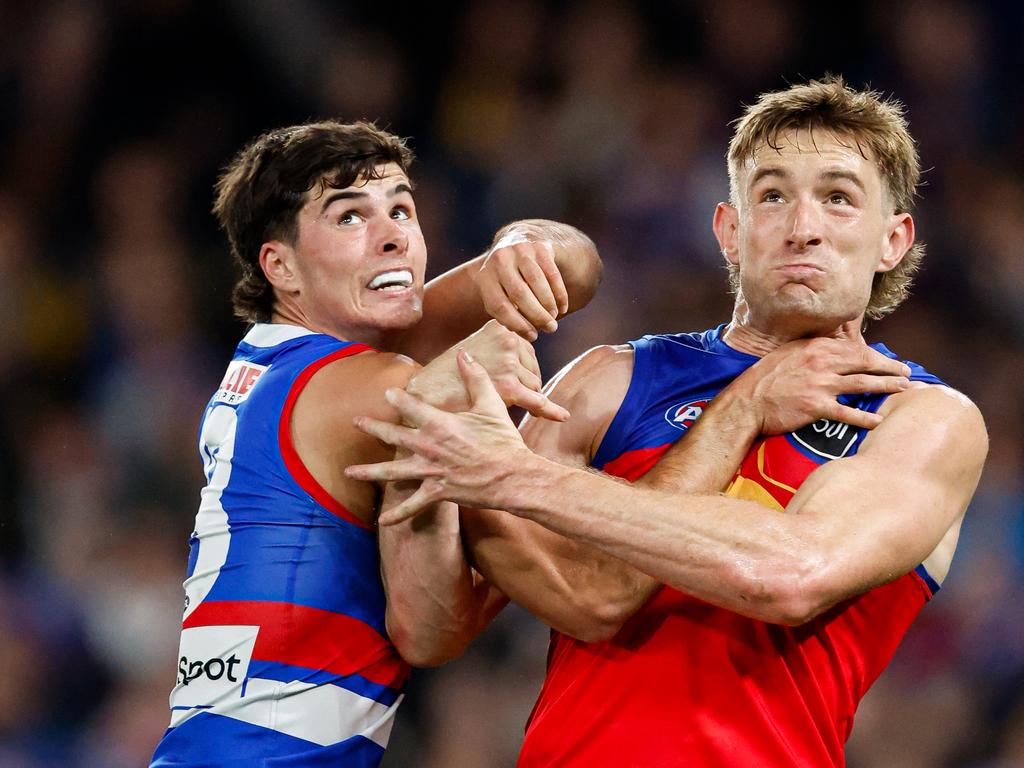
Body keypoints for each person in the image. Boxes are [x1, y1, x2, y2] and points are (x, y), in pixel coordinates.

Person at [346, 77, 989, 766]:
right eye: (772, 195)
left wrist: (509, 475)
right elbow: (433, 627)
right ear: (730, 231)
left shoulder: (921, 416)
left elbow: (793, 572)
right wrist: (430, 417)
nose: (804, 227)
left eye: (838, 198)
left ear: (892, 240)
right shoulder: (611, 380)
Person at [148, 120, 603, 767]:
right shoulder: (373, 388)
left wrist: (523, 242)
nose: (392, 235)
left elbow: (580, 267)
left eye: (401, 208)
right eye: (349, 217)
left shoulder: (282, 367)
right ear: (280, 265)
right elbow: (431, 628)